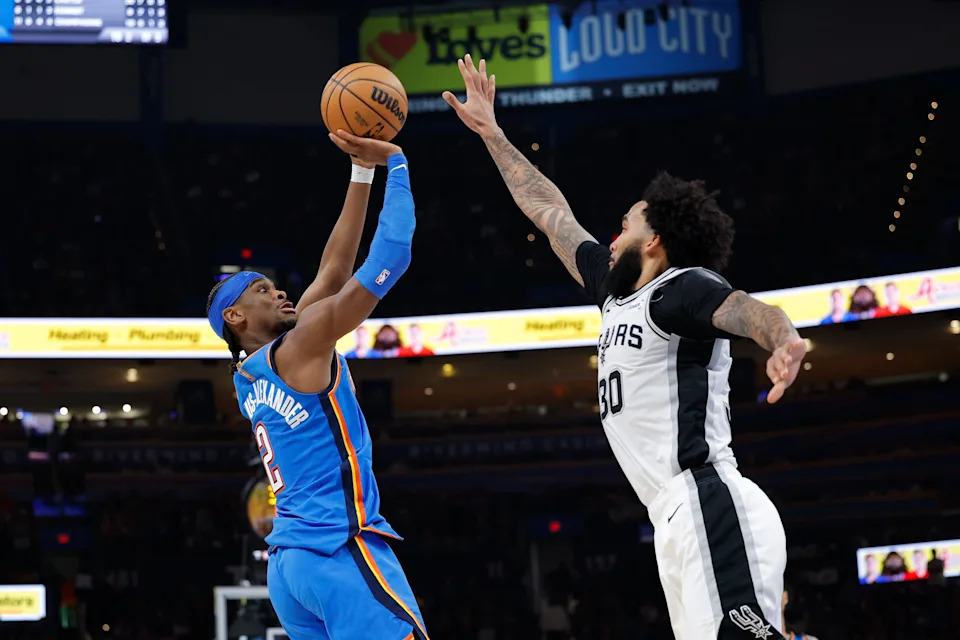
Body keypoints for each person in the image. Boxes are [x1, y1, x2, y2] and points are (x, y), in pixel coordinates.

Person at [445, 53, 803, 640]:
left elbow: (744, 308)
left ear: (655, 241)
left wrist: (782, 338)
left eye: (625, 227)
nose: (611, 238)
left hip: (708, 502)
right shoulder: (614, 293)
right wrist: (493, 133)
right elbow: (549, 212)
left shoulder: (679, 290)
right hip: (672, 518)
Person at [205, 132, 428, 640]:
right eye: (262, 290)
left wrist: (359, 172)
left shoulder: (250, 374)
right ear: (236, 316)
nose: (279, 290)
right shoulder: (301, 346)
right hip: (338, 549)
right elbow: (392, 254)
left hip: (290, 569)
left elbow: (332, 269)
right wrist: (395, 164)